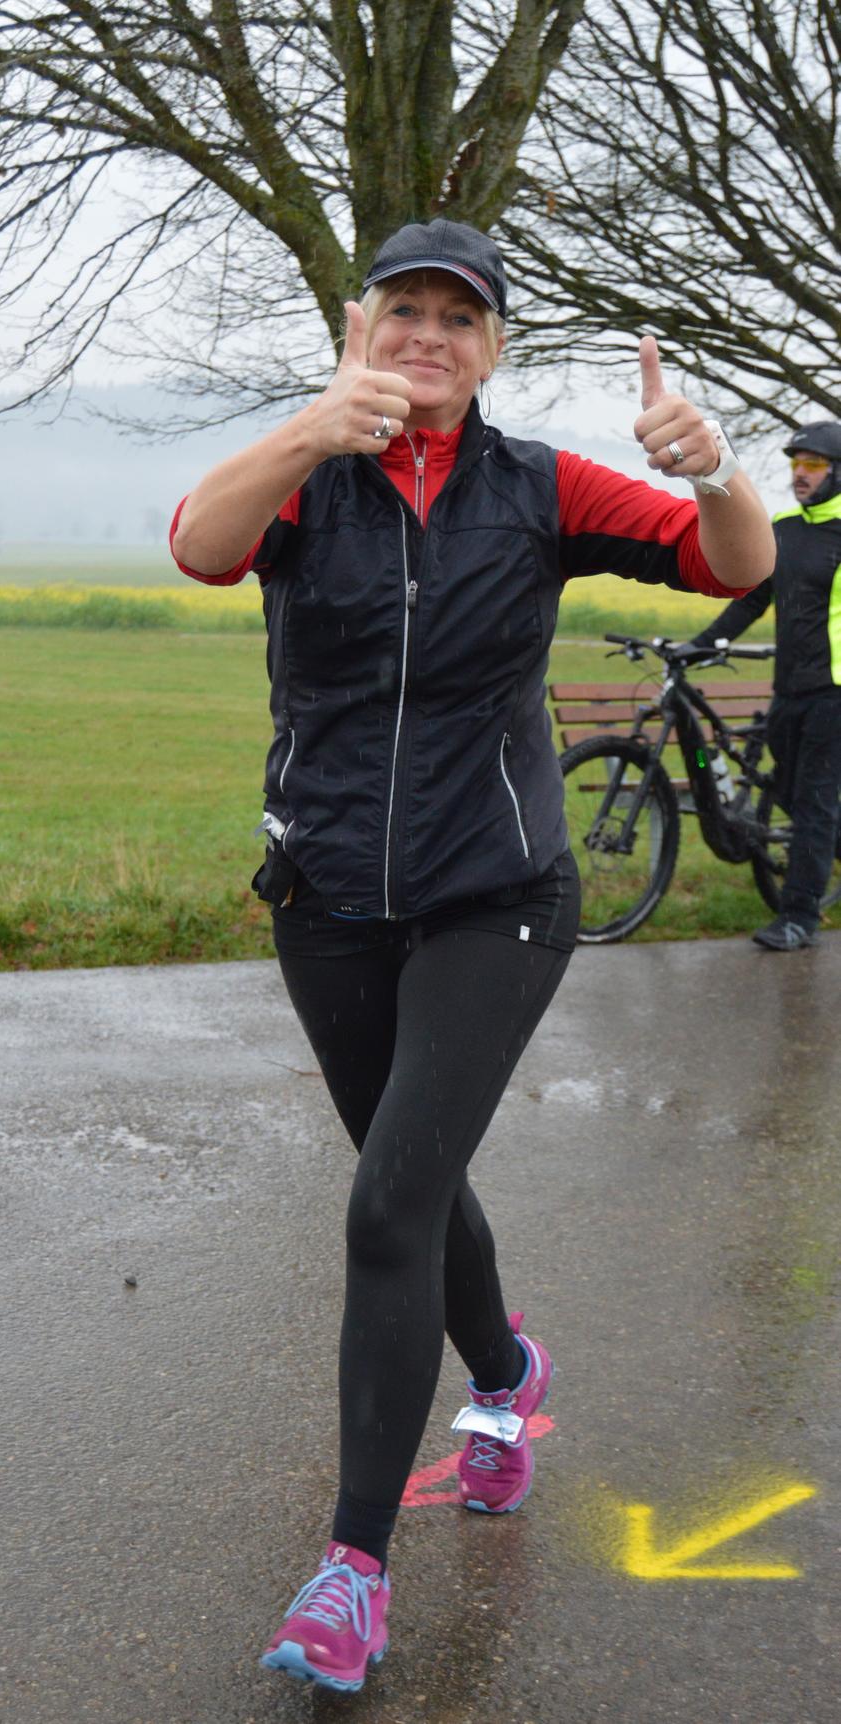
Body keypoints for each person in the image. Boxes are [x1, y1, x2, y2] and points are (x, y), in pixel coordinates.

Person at [171, 219, 775, 1695]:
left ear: (493, 346)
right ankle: (506, 1375)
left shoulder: (538, 488)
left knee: (388, 1199)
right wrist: (312, 427)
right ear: (361, 327)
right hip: (327, 892)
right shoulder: (306, 477)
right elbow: (198, 544)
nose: (429, 335)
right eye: (406, 310)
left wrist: (714, 467)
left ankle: (353, 1569)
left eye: (460, 316)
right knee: (417, 1181)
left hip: (495, 891)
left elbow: (731, 563)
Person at [690, 423, 841, 950]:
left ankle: (798, 917)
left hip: (834, 692)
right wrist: (701, 645)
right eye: (797, 463)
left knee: (814, 803)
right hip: (789, 689)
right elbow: (754, 598)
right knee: (793, 796)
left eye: (814, 464)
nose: (801, 473)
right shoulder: (784, 528)